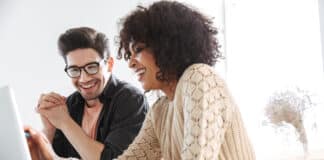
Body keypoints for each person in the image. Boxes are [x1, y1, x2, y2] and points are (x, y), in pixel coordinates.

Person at [115, 1, 255, 159]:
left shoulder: (199, 78)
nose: (131, 63)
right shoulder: (160, 111)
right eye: (129, 54)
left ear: (166, 46)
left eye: (138, 50)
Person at [25, 27, 148, 160]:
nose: (84, 78)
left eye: (92, 67)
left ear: (110, 64)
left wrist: (65, 122)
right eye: (74, 70)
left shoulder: (131, 100)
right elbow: (53, 157)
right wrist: (49, 129)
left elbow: (112, 158)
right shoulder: (71, 104)